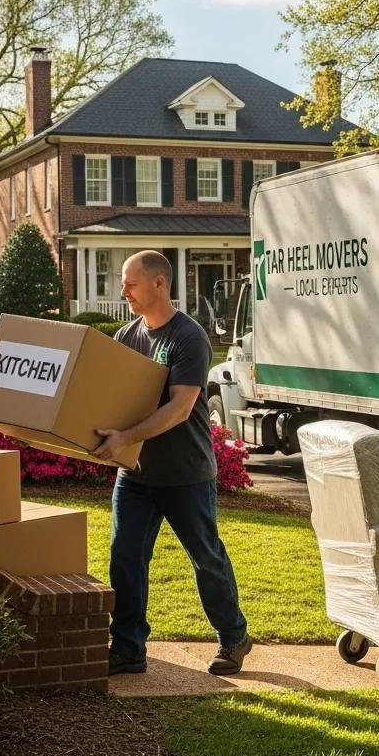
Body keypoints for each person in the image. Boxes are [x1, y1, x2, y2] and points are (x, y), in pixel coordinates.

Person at [94, 250, 252, 676]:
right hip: (137, 474)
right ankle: (127, 648)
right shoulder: (129, 335)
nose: (123, 290)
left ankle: (234, 637)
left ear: (159, 283)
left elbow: (181, 407)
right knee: (125, 556)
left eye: (131, 283)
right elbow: (106, 394)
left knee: (206, 558)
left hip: (185, 473)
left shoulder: (189, 338)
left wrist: (126, 436)